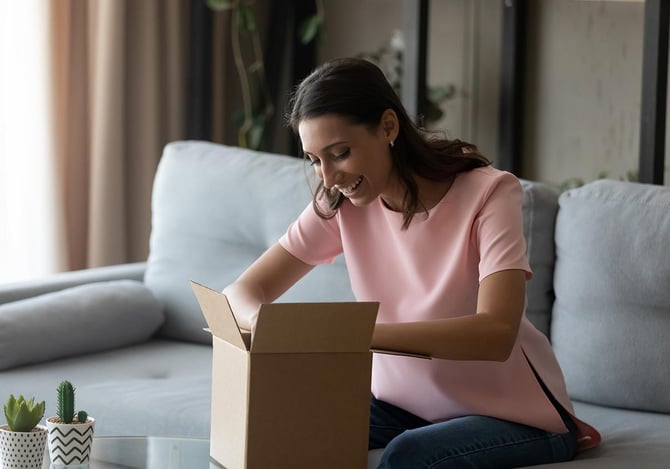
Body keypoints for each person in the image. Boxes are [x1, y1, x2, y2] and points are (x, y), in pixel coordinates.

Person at [222, 57, 601, 468]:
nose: (328, 177)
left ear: (388, 127)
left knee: (408, 455)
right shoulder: (339, 204)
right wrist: (266, 328)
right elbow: (241, 291)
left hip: (517, 416)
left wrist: (352, 336)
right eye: (315, 160)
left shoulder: (489, 194)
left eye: (340, 153)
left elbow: (496, 332)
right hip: (404, 405)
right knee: (285, 422)